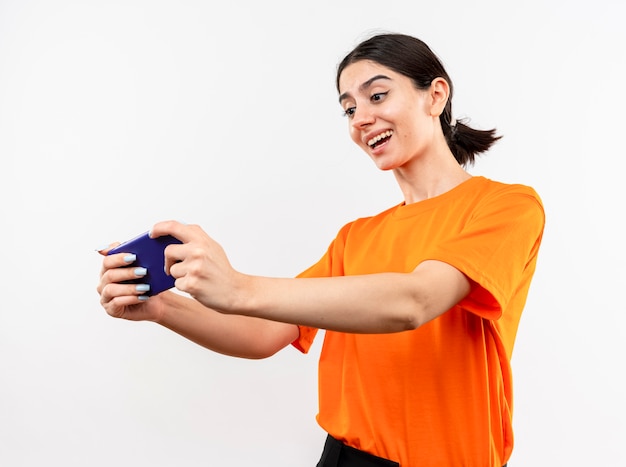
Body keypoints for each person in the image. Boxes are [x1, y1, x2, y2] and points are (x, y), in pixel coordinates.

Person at [97, 32, 545, 467]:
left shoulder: (507, 206)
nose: (360, 119)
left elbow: (416, 300)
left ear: (435, 96)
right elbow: (263, 335)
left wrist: (237, 286)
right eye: (348, 108)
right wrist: (161, 308)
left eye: (376, 96)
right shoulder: (356, 237)